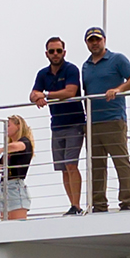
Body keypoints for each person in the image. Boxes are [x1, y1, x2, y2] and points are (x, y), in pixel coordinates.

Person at [79, 28, 130, 212]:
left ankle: (127, 201)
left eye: (97, 39)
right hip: (93, 122)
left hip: (113, 119)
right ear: (86, 43)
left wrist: (118, 89)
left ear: (104, 40)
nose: (94, 43)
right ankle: (99, 204)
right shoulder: (85, 66)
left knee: (121, 161)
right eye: (91, 40)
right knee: (96, 165)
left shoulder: (117, 59)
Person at [28, 37, 85, 214]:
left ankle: (76, 205)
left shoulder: (71, 69)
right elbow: (32, 94)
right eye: (52, 51)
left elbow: (70, 91)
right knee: (63, 168)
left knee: (71, 164)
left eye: (58, 51)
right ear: (46, 54)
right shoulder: (43, 74)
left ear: (64, 52)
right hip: (56, 125)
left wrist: (45, 95)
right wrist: (37, 97)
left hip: (74, 123)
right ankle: (72, 205)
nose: (55, 54)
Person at [0, 115, 35, 219]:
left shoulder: (24, 141)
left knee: (17, 224)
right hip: (5, 187)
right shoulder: (10, 148)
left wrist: (1, 150)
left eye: (9, 125)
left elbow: (18, 146)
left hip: (15, 187)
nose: (6, 129)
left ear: (18, 126)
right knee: (6, 224)